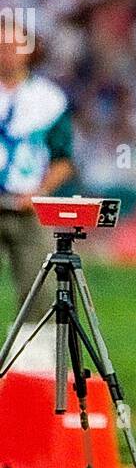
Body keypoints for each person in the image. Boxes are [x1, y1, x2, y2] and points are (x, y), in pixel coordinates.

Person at [0, 37, 74, 324]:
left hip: (27, 206)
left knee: (40, 293)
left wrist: (40, 192)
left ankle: (33, 364)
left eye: (13, 46)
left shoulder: (48, 99)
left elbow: (63, 158)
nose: (6, 53)